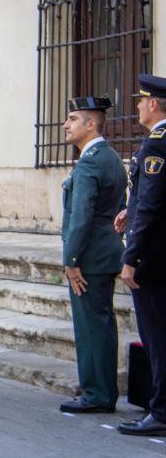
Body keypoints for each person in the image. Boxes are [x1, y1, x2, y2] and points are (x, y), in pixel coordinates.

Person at [57, 96, 127, 414]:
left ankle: (96, 393)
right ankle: (101, 389)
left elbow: (80, 218)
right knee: (101, 325)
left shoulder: (90, 163)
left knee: (90, 327)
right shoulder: (110, 157)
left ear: (90, 124)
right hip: (105, 254)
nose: (66, 124)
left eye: (73, 118)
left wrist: (71, 262)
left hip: (90, 259)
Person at [116, 74, 166, 437]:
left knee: (158, 338)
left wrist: (131, 258)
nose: (137, 106)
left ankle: (161, 412)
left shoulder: (158, 145)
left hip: (153, 258)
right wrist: (128, 212)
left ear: (154, 104)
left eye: (141, 100)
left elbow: (151, 205)